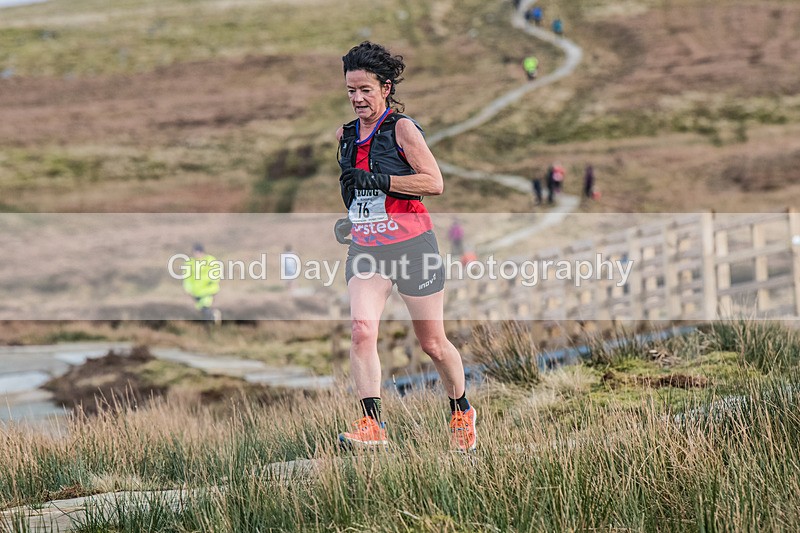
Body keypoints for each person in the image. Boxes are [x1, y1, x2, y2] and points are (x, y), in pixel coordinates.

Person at [334, 41, 477, 452]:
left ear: (386, 87)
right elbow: (358, 193)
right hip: (366, 249)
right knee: (362, 331)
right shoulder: (345, 136)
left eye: (365, 89)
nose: (357, 98)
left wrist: (384, 182)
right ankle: (371, 424)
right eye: (350, 91)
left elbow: (434, 182)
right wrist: (352, 221)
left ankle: (460, 411)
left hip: (414, 246)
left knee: (432, 343)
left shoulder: (402, 129)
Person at [182, 243, 222, 324]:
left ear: (203, 252)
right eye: (195, 252)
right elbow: (187, 278)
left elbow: (216, 274)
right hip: (196, 292)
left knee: (205, 307)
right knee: (201, 309)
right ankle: (212, 320)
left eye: (199, 252)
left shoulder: (210, 260)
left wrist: (212, 283)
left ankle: (211, 322)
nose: (197, 254)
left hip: (208, 290)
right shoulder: (190, 263)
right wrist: (187, 289)